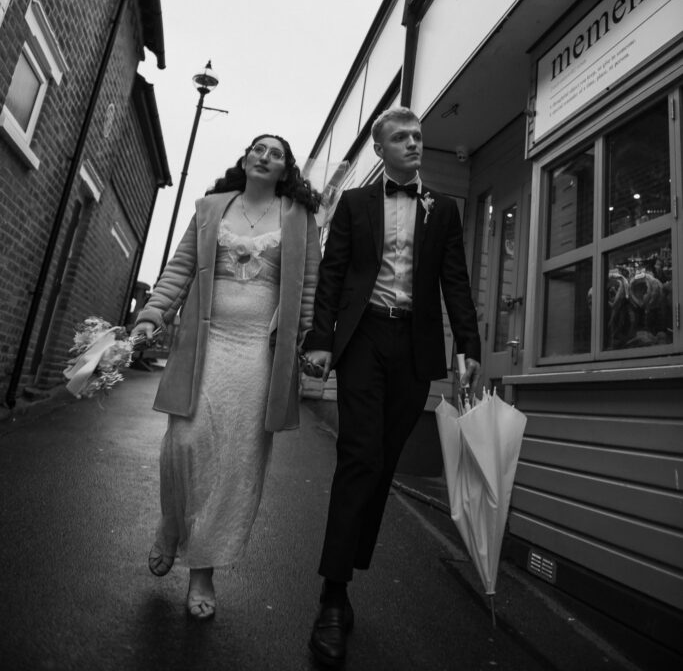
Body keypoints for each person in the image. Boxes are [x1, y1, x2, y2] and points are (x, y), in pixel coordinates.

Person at [302, 107, 481, 666]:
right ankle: (333, 596)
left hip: (414, 348)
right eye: (400, 137)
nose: (413, 143)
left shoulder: (442, 209)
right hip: (363, 339)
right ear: (379, 150)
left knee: (382, 462)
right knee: (358, 454)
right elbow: (333, 274)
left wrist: (469, 346)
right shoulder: (355, 205)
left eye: (418, 136)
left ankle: (346, 572)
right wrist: (319, 338)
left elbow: (455, 278)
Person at [134, 134, 321, 620]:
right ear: (244, 158)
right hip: (204, 346)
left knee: (238, 462)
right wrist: (152, 315)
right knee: (184, 442)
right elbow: (178, 270)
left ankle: (203, 570)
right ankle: (172, 526)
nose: (265, 156)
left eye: (276, 153)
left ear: (286, 169)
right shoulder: (211, 207)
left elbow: (308, 292)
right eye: (258, 148)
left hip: (261, 355)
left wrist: (310, 343)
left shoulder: (299, 218)